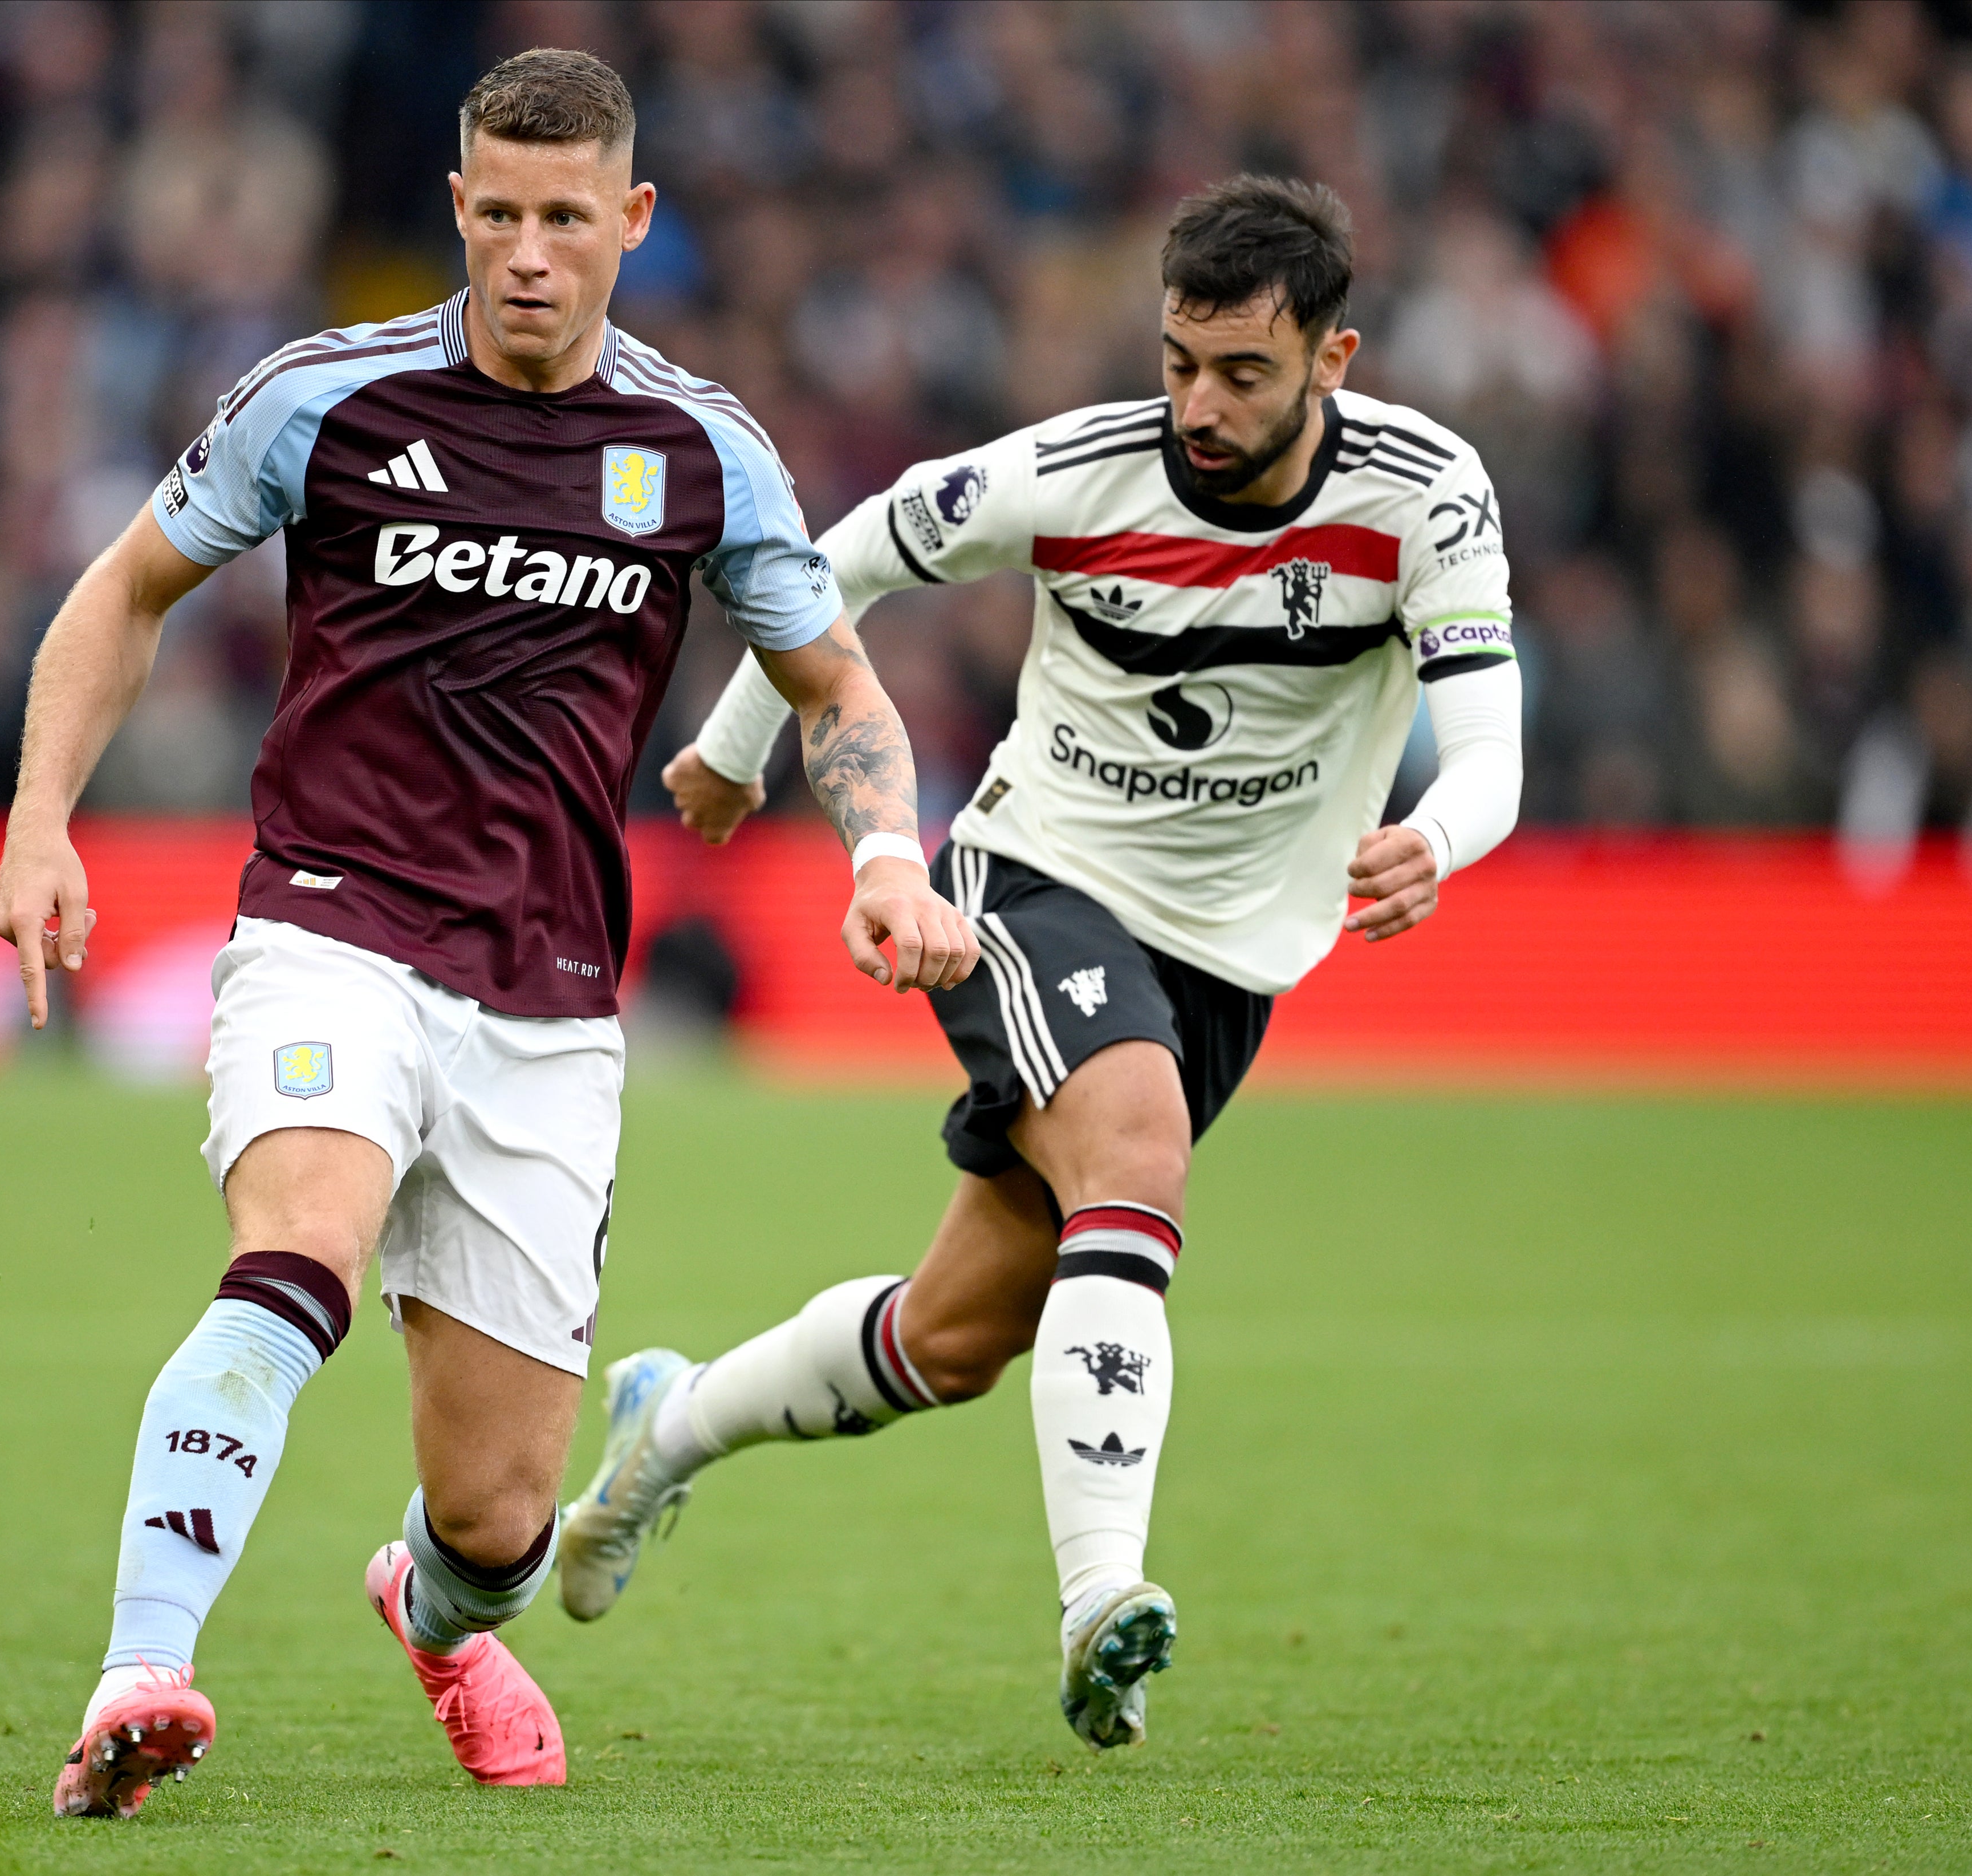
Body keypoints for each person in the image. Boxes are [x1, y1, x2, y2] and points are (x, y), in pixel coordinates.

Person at [0, 48, 976, 1820]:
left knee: (501, 1516)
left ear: (633, 222)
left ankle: (437, 1617)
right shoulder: (326, 399)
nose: (530, 253)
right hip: (331, 926)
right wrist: (44, 812)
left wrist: (888, 851)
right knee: (299, 1251)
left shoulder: (699, 449)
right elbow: (126, 590)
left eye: (568, 220)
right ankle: (144, 1669)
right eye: (500, 214)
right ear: (458, 207)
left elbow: (835, 681)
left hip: (547, 996)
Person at [559, 176, 1526, 1755]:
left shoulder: (1429, 493)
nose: (1198, 407)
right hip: (1040, 877)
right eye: (1178, 362)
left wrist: (1445, 831)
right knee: (1133, 1155)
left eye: (1244, 375)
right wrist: (737, 745)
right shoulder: (1080, 472)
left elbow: (1491, 744)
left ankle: (667, 1427)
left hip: (1232, 961)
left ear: (1334, 360)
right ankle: (1101, 1604)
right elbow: (846, 553)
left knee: (950, 1338)